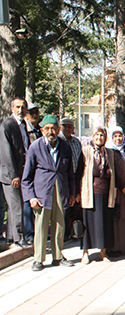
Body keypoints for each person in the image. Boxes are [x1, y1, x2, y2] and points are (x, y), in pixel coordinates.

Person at [21, 115, 76, 271]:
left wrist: (72, 193)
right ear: (42, 130)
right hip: (41, 193)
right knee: (41, 226)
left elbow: (70, 172)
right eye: (47, 128)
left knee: (60, 225)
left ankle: (58, 256)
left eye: (53, 128)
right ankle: (38, 259)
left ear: (58, 129)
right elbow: (26, 177)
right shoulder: (35, 147)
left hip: (61, 190)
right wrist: (31, 197)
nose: (51, 131)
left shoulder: (65, 147)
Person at [79, 126, 125, 264]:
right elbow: (79, 171)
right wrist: (77, 193)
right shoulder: (86, 151)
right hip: (90, 192)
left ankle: (103, 252)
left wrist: (122, 188)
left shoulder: (110, 153)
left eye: (102, 135)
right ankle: (86, 253)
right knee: (88, 223)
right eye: (97, 135)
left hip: (106, 193)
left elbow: (117, 172)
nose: (99, 138)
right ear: (93, 136)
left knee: (105, 223)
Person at [0, 98, 30, 247]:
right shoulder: (7, 125)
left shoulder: (23, 125)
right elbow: (6, 153)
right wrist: (14, 175)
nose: (20, 110)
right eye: (17, 107)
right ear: (12, 109)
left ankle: (12, 238)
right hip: (10, 175)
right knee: (17, 205)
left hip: (22, 172)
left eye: (23, 107)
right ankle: (19, 238)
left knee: (15, 207)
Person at [106, 126, 125, 254]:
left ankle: (124, 245)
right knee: (115, 218)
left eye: (120, 136)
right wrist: (121, 186)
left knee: (124, 218)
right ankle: (114, 247)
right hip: (116, 190)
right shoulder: (109, 151)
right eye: (115, 136)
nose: (118, 139)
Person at [60, 118, 84, 241]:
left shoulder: (76, 142)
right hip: (63, 177)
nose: (68, 129)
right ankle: (63, 234)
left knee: (74, 204)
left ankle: (73, 232)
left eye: (70, 126)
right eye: (65, 126)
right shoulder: (59, 141)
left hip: (75, 176)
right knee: (64, 205)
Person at [21, 103, 42, 245]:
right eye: (31, 112)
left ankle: (37, 233)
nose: (34, 115)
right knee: (28, 202)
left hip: (39, 171)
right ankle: (29, 234)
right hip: (25, 169)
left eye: (36, 112)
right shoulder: (23, 129)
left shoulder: (40, 131)